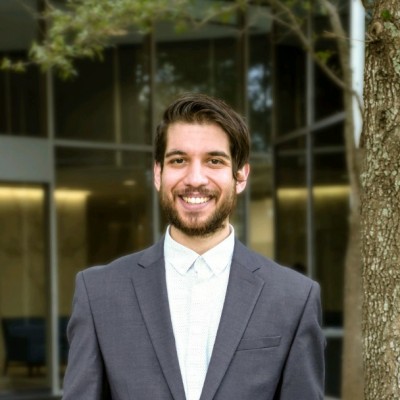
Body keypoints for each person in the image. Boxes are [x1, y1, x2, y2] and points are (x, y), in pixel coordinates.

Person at [62, 93, 325, 400]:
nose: (195, 179)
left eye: (214, 161)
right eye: (179, 160)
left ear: (240, 176)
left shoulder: (294, 298)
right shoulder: (98, 293)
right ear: (158, 174)